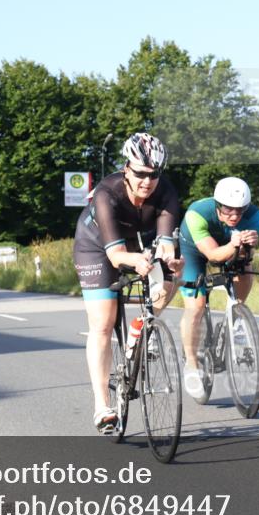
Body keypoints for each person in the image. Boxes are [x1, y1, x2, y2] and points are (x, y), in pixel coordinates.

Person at [73, 133, 184, 433]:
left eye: (154, 175)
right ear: (126, 168)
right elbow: (115, 255)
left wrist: (168, 262)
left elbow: (165, 246)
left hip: (140, 238)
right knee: (103, 323)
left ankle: (141, 328)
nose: (147, 182)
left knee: (175, 274)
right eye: (140, 174)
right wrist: (137, 261)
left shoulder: (167, 192)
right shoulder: (106, 193)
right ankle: (102, 405)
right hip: (97, 245)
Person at [177, 177, 259, 399]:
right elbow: (213, 256)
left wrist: (249, 246)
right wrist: (234, 244)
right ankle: (192, 364)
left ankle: (236, 314)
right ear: (217, 205)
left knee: (244, 266)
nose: (235, 215)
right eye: (228, 209)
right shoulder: (197, 213)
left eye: (240, 210)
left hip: (229, 247)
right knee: (196, 307)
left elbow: (245, 257)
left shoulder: (253, 216)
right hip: (194, 250)